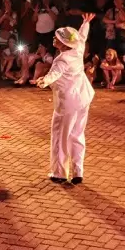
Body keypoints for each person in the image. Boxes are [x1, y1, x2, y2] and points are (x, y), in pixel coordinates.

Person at [36, 13, 95, 185]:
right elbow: (82, 36)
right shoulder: (78, 49)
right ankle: (78, 171)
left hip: (68, 102)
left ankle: (59, 173)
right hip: (83, 98)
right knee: (77, 134)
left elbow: (55, 74)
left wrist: (44, 81)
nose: (54, 39)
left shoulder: (62, 59)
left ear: (65, 43)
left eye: (58, 38)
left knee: (61, 136)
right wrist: (85, 23)